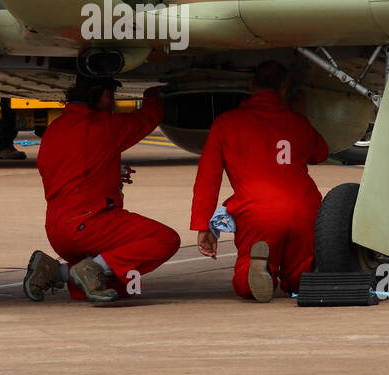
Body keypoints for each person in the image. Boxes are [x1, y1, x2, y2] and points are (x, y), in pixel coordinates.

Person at [24, 77, 179, 303]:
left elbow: (73, 167)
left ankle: (56, 271)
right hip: (89, 226)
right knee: (165, 239)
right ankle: (91, 267)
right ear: (105, 95)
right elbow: (145, 120)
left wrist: (109, 172)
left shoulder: (55, 129)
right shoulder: (102, 126)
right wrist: (153, 99)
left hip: (58, 229)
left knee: (118, 285)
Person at [190, 61, 329, 302]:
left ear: (251, 84)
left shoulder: (227, 123)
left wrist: (203, 225)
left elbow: (208, 178)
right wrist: (300, 113)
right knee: (300, 273)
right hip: (304, 207)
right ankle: (299, 277)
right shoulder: (298, 122)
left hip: (257, 210)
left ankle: (256, 271)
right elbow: (321, 153)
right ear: (283, 89)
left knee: (244, 283)